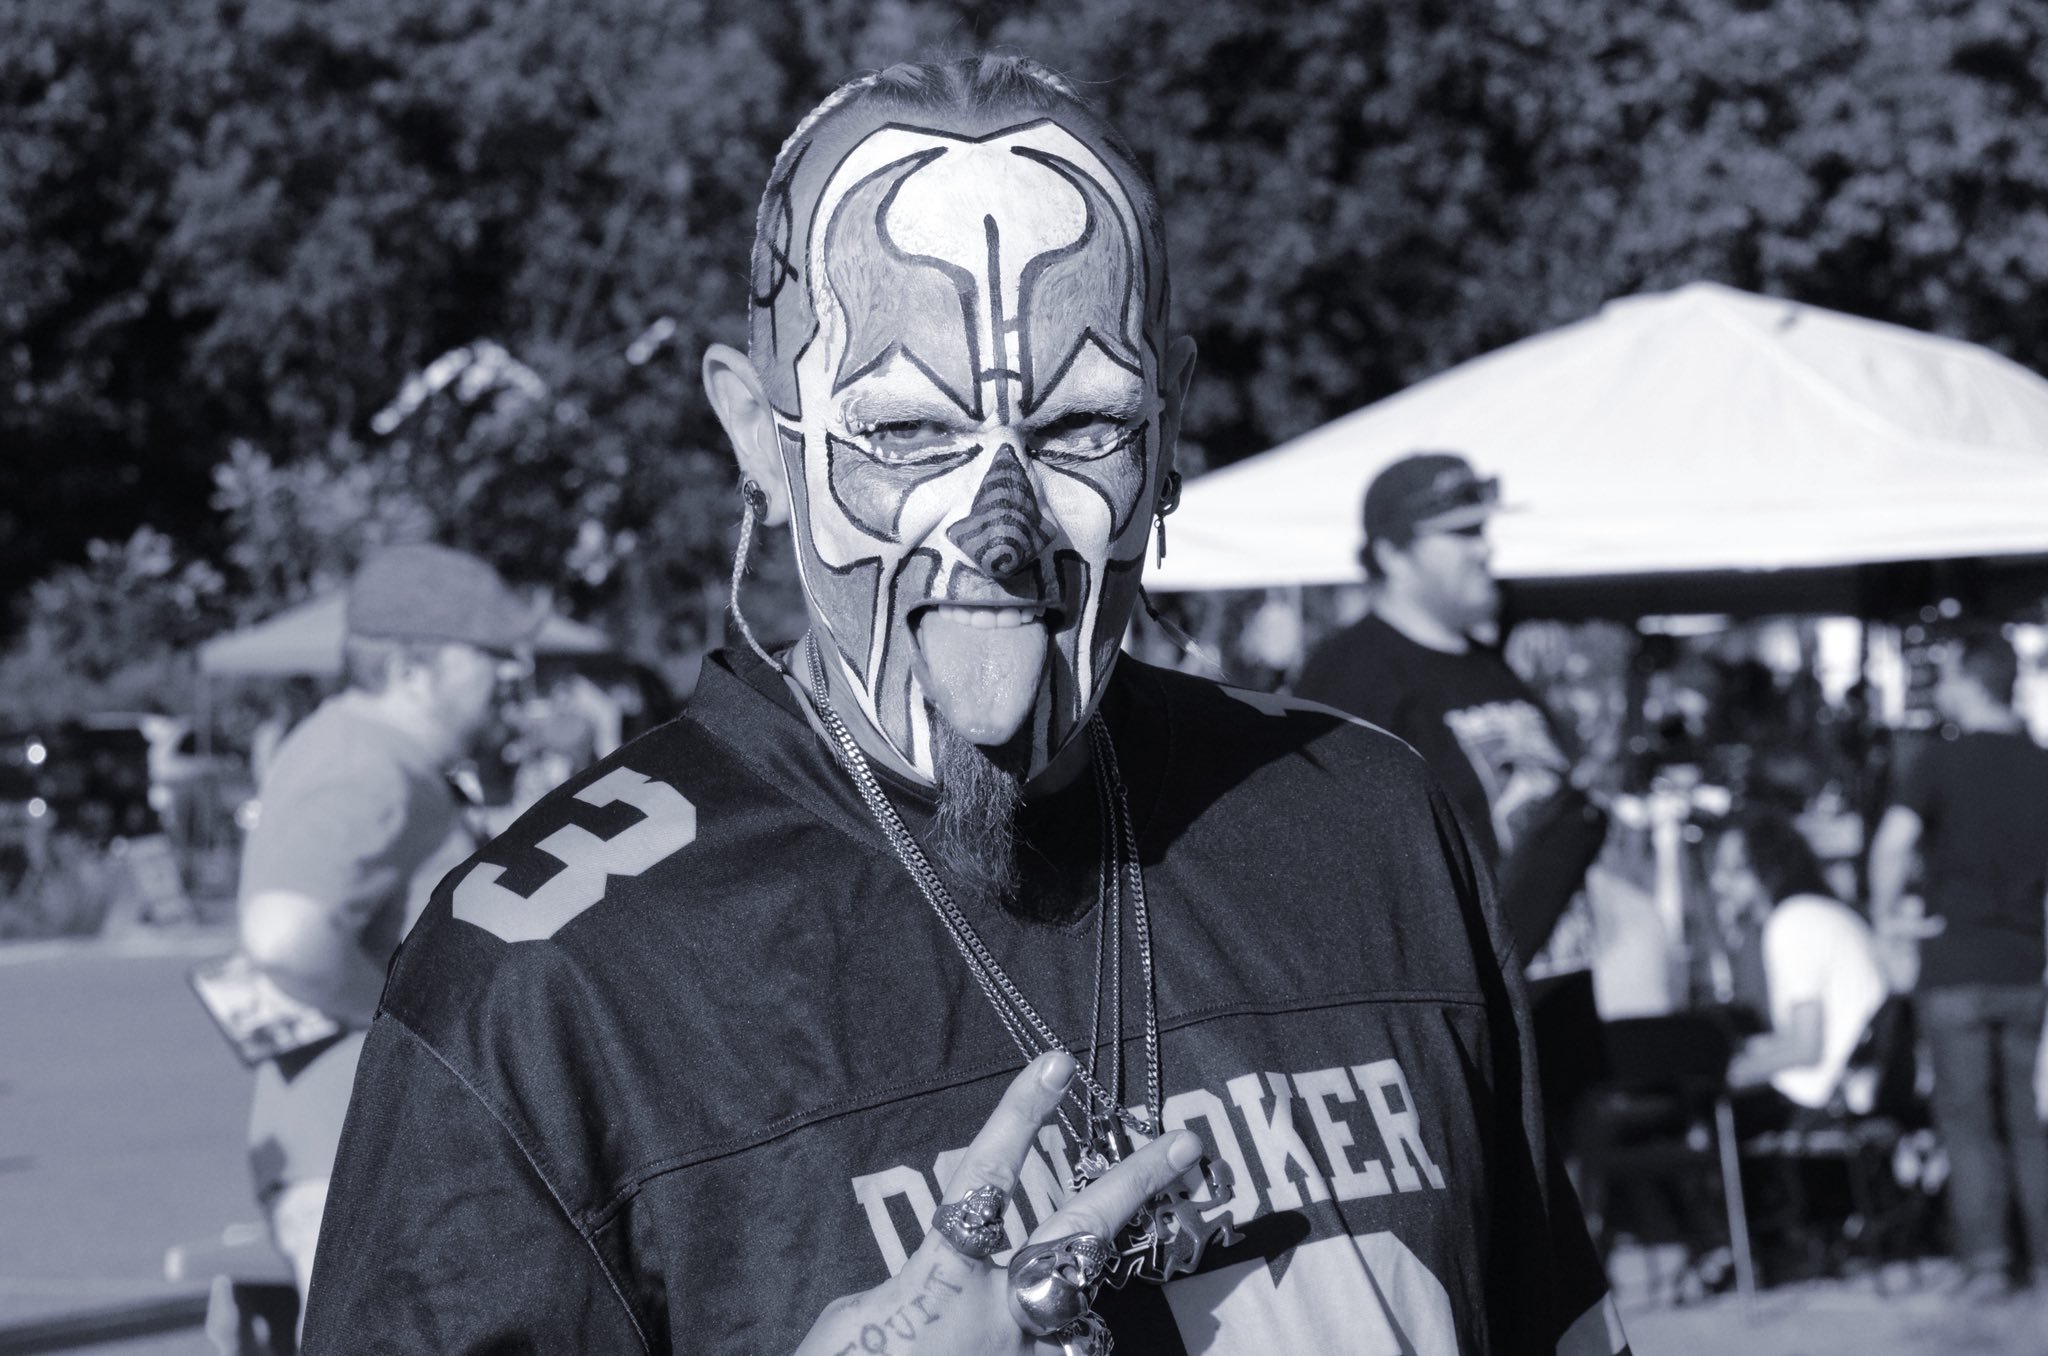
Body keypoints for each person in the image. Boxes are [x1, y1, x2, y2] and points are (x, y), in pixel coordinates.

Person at [301, 57, 1626, 1355]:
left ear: (1169, 426)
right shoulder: (545, 980)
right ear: (762, 438)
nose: (998, 531)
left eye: (1078, 428)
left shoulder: (1372, 830)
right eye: (907, 435)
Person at [237, 542, 538, 1311]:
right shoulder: (366, 759)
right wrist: (401, 1027)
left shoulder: (383, 757)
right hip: (357, 1161)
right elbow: (282, 935)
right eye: (492, 653)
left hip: (375, 1159)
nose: (514, 673)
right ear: (412, 669)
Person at [1294, 453, 1608, 1144]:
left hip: (1556, 1015)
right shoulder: (1348, 680)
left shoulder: (1490, 669)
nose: (1485, 548)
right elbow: (1324, 873)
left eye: (1483, 529)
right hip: (1458, 1049)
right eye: (1461, 533)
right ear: (1392, 554)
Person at [1870, 625, 2048, 1296]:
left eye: (1945, 675)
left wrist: (1888, 917)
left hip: (1955, 962)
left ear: (1972, 682)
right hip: (2025, 962)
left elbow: (1892, 846)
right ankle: (2043, 1255)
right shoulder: (2043, 763)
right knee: (2028, 1121)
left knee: (1967, 1121)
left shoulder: (1938, 762)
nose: (1938, 688)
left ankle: (1988, 1263)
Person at [1712, 808, 1888, 1128]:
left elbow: (1806, 1047)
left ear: (1767, 868)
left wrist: (1724, 1073)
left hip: (1821, 1102)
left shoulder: (1792, 922)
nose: (1717, 882)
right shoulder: (1821, 912)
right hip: (1853, 1083)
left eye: (1732, 871)